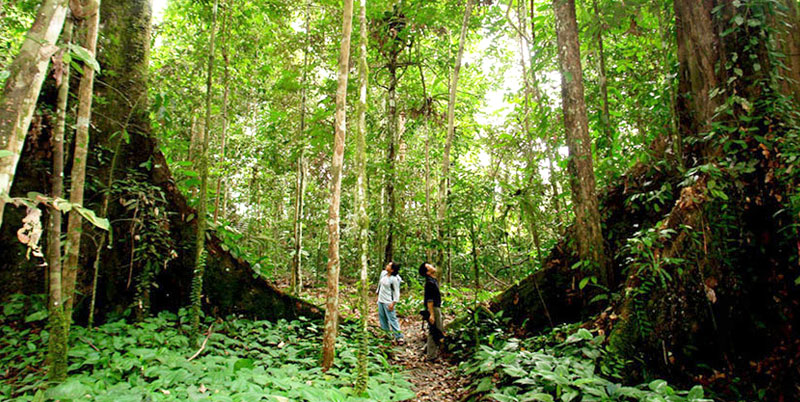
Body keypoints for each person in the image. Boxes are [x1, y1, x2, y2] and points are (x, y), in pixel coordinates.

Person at [418, 262, 443, 361]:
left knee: (434, 329)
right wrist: (431, 314)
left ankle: (428, 350)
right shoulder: (429, 283)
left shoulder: (433, 280)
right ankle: (431, 356)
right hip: (434, 309)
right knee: (435, 331)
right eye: (430, 266)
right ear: (428, 272)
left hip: (436, 308)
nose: (433, 266)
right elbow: (429, 300)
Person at [377, 261, 404, 344]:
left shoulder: (394, 279)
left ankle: (399, 337)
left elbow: (396, 292)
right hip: (380, 300)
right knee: (382, 319)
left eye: (389, 265)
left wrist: (393, 303)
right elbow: (380, 284)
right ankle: (387, 335)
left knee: (392, 319)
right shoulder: (383, 274)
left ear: (392, 270)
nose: (387, 266)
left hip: (388, 302)